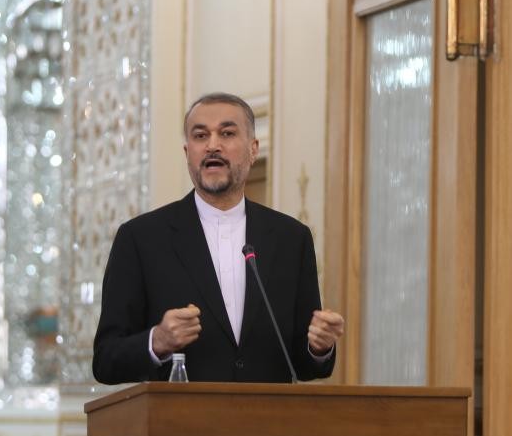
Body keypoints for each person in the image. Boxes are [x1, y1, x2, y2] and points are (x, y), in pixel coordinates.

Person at [92, 92, 345, 384]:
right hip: (180, 413)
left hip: (267, 413)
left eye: (227, 133)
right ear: (188, 152)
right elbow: (105, 361)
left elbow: (304, 364)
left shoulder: (291, 239)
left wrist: (319, 347)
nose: (212, 145)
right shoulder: (141, 238)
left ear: (253, 150)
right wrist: (157, 341)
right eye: (200, 136)